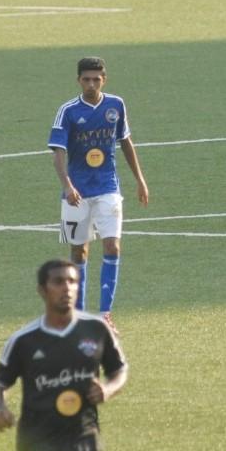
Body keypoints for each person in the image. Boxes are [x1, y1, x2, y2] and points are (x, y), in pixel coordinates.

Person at [0, 259, 127, 451]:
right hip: (37, 446)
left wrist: (108, 389)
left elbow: (119, 370)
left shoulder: (96, 330)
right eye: (58, 282)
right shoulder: (24, 340)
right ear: (42, 290)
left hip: (84, 444)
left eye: (72, 281)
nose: (67, 288)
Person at [48, 57, 149, 333]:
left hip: (108, 188)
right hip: (77, 193)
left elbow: (125, 142)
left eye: (96, 79)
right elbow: (59, 154)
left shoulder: (115, 105)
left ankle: (105, 315)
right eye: (86, 79)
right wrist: (67, 185)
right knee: (79, 252)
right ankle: (77, 316)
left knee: (112, 246)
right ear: (78, 80)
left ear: (104, 79)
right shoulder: (67, 111)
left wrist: (140, 179)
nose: (91, 84)